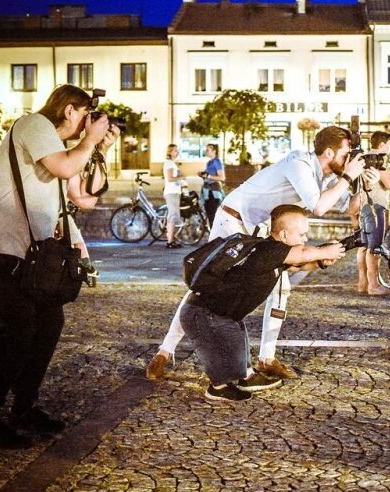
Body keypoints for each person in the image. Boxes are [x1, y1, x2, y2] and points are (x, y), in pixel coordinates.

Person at [147, 125, 375, 381]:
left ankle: (267, 358)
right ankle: (164, 352)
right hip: (234, 221)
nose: (350, 161)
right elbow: (319, 207)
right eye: (347, 155)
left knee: (281, 286)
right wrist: (347, 177)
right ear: (330, 153)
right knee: (206, 286)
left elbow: (348, 206)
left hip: (264, 230)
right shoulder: (298, 162)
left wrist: (365, 187)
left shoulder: (327, 177)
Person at [0, 84, 119, 449]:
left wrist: (101, 150)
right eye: (86, 114)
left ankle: (23, 406)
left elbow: (84, 197)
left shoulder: (61, 149)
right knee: (16, 330)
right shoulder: (34, 126)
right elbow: (65, 165)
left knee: (49, 324)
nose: (88, 122)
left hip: (31, 255)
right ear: (69, 110)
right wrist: (88, 141)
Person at [181, 205, 346, 401]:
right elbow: (302, 254)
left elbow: (298, 265)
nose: (304, 239)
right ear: (284, 235)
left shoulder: (273, 253)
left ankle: (246, 376)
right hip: (202, 314)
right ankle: (218, 387)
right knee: (218, 351)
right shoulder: (269, 250)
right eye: (301, 235)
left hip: (221, 314)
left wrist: (321, 261)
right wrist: (328, 250)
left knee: (236, 341)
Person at [355, 131, 390, 296]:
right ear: (382, 145)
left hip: (363, 206)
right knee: (375, 248)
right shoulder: (379, 161)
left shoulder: (363, 159)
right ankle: (373, 286)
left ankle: (363, 282)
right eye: (389, 144)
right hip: (377, 207)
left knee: (364, 246)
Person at [163, 144, 184, 249]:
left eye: (177, 150)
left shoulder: (172, 163)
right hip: (172, 192)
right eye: (175, 151)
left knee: (173, 215)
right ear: (170, 152)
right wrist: (180, 176)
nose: (177, 152)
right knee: (172, 215)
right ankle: (170, 241)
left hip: (174, 192)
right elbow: (170, 178)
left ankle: (172, 238)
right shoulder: (169, 163)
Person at [200, 143, 225, 225]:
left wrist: (208, 176)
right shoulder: (209, 162)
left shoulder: (217, 162)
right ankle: (212, 235)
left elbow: (222, 177)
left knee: (212, 216)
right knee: (209, 215)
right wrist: (203, 175)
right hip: (207, 191)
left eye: (208, 150)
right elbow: (209, 176)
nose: (206, 151)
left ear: (214, 151)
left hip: (213, 192)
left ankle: (214, 236)